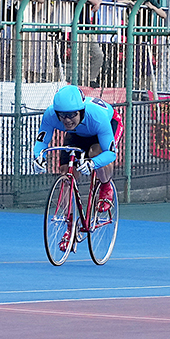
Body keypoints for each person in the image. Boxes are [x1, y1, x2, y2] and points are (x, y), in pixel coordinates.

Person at [32, 85, 122, 250]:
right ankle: (69, 227)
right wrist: (38, 157)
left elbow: (111, 154)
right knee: (66, 172)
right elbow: (41, 141)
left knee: (96, 152)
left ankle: (105, 186)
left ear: (81, 110)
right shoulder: (51, 115)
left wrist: (93, 163)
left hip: (105, 125)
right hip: (77, 133)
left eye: (72, 115)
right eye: (62, 115)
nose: (66, 120)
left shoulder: (97, 117)